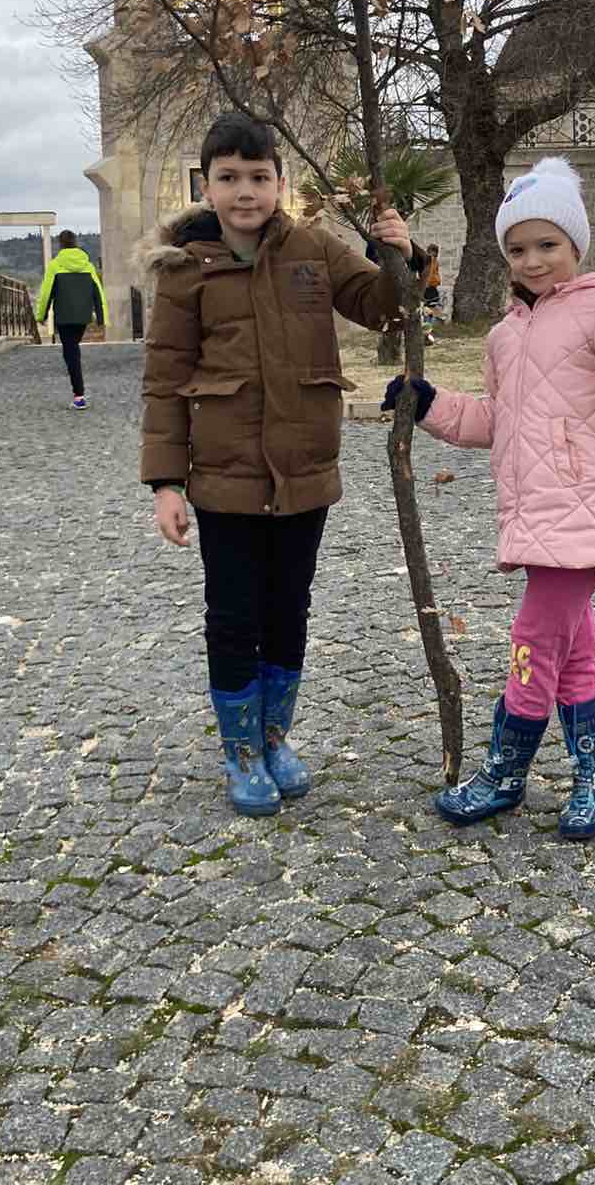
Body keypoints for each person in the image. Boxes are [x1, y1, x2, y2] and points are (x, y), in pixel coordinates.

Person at [140, 112, 427, 817]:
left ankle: (275, 736)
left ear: (281, 182)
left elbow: (383, 309)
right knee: (234, 615)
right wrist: (166, 483)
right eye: (229, 177)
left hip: (304, 470)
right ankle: (240, 749)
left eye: (259, 177)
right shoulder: (183, 273)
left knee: (289, 609)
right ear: (205, 186)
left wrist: (402, 257)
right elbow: (164, 380)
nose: (245, 191)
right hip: (224, 478)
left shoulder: (313, 247)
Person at [382, 156, 595, 840]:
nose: (533, 260)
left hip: (581, 510)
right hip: (532, 513)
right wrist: (427, 405)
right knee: (571, 651)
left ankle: (506, 772)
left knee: (531, 640)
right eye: (518, 248)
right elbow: (496, 420)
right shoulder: (503, 335)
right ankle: (591, 776)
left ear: (577, 245)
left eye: (547, 245)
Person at [35, 230, 108, 409]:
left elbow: (46, 293)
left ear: (60, 244)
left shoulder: (55, 265)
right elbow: (98, 291)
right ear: (76, 243)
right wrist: (101, 316)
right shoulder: (88, 265)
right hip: (82, 317)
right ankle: (78, 392)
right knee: (72, 350)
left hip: (64, 317)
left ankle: (79, 396)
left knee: (71, 353)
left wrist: (41, 315)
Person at [423, 243, 442, 309]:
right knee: (431, 305)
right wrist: (427, 283)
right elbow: (429, 272)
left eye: (435, 251)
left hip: (432, 285)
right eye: (433, 251)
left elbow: (434, 272)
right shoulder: (430, 260)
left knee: (432, 304)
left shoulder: (434, 260)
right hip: (429, 286)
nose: (434, 253)